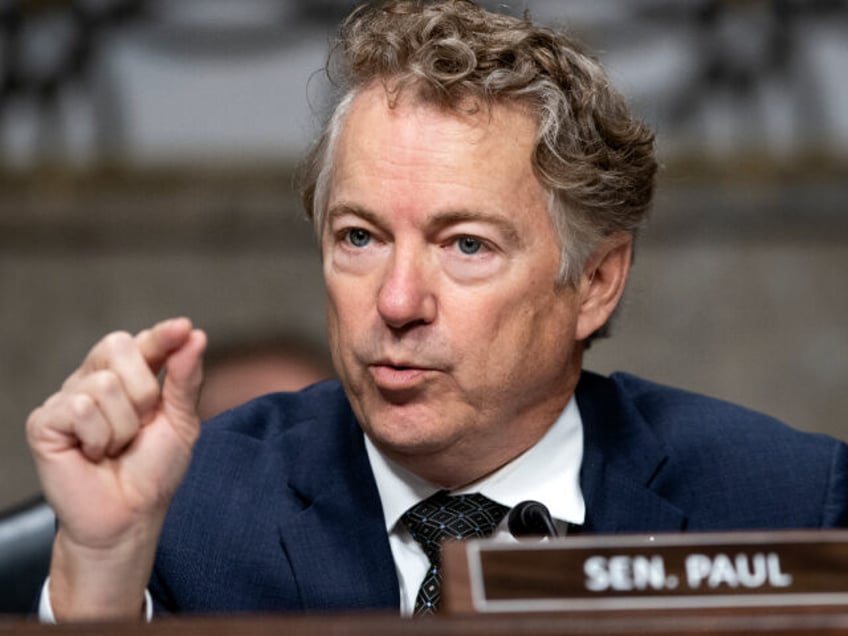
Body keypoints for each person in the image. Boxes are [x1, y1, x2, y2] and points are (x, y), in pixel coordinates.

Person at [25, 0, 848, 622]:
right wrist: (102, 568)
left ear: (595, 281)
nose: (396, 301)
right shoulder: (196, 508)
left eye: (466, 246)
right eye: (359, 236)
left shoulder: (783, 501)